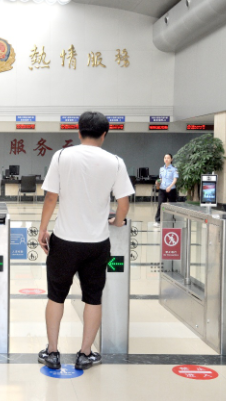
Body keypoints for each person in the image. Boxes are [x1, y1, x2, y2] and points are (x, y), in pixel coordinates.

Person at [37, 111, 134, 370]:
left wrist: (43, 229)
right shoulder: (115, 162)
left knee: (56, 296)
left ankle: (52, 352)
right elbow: (123, 203)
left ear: (79, 132)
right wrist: (118, 221)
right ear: (104, 134)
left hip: (64, 241)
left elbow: (51, 197)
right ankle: (85, 353)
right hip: (97, 243)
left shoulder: (61, 156)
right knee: (93, 298)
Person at [153, 153, 178, 228]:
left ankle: (173, 220)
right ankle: (158, 221)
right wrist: (158, 182)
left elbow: (175, 180)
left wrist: (170, 186)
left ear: (171, 159)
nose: (166, 159)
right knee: (160, 205)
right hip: (162, 189)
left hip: (171, 190)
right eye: (165, 158)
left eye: (168, 158)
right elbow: (161, 178)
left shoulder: (174, 169)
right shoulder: (161, 169)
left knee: (172, 205)